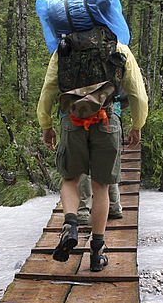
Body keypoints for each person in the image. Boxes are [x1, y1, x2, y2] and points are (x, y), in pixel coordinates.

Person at [37, 25, 147, 272]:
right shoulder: (118, 48)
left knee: (70, 179)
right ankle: (97, 252)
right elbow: (137, 93)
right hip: (106, 120)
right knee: (101, 187)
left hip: (72, 121)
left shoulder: (63, 49)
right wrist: (137, 125)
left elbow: (49, 90)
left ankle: (71, 225)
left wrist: (46, 125)